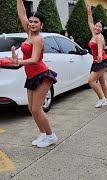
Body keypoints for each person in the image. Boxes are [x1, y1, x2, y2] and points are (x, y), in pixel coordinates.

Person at [9, 0, 58, 148]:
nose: (32, 24)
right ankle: (43, 134)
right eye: (30, 21)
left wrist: (18, 62)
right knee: (31, 109)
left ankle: (51, 136)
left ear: (41, 25)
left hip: (42, 75)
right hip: (31, 76)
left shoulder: (38, 39)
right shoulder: (29, 32)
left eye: (36, 22)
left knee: (37, 109)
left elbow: (35, 59)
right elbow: (21, 13)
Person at [86, 0, 107, 108]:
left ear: (102, 29)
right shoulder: (94, 32)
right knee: (102, 82)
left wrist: (100, 58)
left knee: (91, 80)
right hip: (97, 61)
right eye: (96, 26)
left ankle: (101, 98)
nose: (97, 28)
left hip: (101, 61)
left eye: (99, 27)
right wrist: (89, 9)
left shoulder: (99, 36)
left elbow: (99, 48)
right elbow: (90, 22)